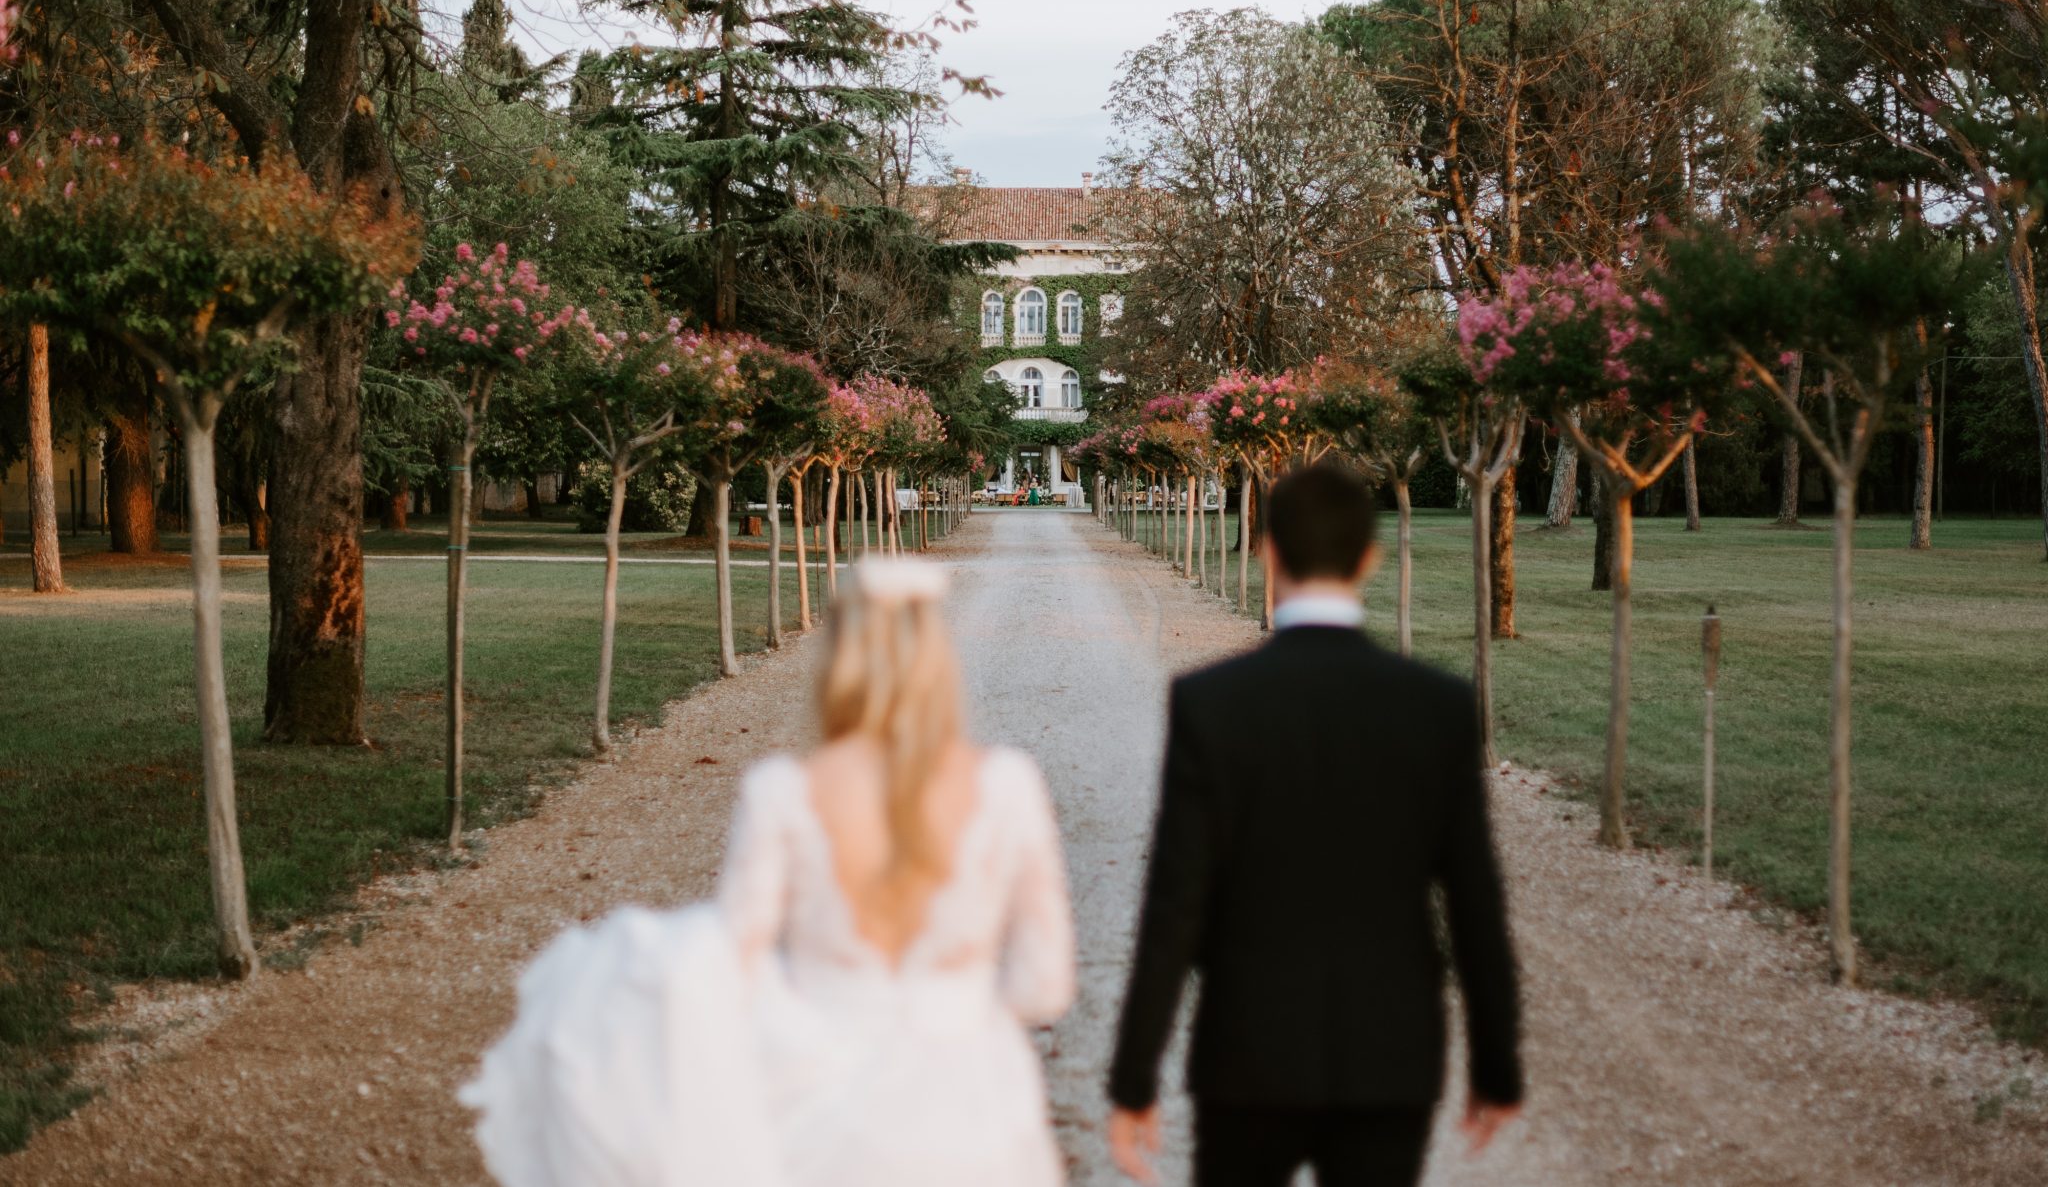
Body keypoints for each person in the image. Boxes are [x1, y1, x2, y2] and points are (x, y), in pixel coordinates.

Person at [463, 558, 1077, 1187]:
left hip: (818, 1107)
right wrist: (959, 1015)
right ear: (939, 660)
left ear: (837, 659)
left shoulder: (784, 792)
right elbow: (1044, 986)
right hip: (973, 1110)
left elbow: (736, 967)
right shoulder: (1007, 785)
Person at [1104, 461, 1523, 1187]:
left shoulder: (1211, 702)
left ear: (1267, 549)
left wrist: (1134, 1076)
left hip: (1248, 1050)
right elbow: (1475, 899)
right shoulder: (1437, 707)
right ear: (1368, 558)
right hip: (1390, 1053)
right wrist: (1497, 1065)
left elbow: (1175, 904)